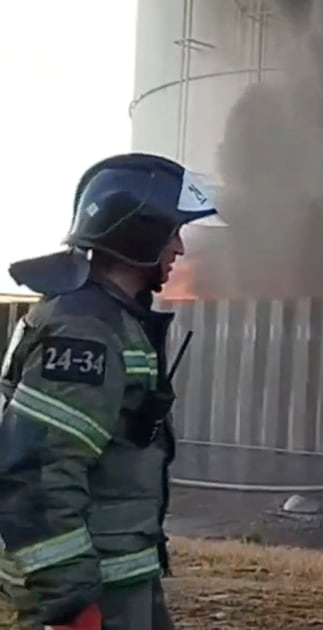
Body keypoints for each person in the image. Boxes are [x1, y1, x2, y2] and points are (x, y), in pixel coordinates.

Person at [0, 152, 222, 629]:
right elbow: (38, 474)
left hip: (117, 577)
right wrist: (71, 605)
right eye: (172, 232)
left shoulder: (110, 321)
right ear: (139, 234)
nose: (179, 247)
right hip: (92, 591)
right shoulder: (86, 330)